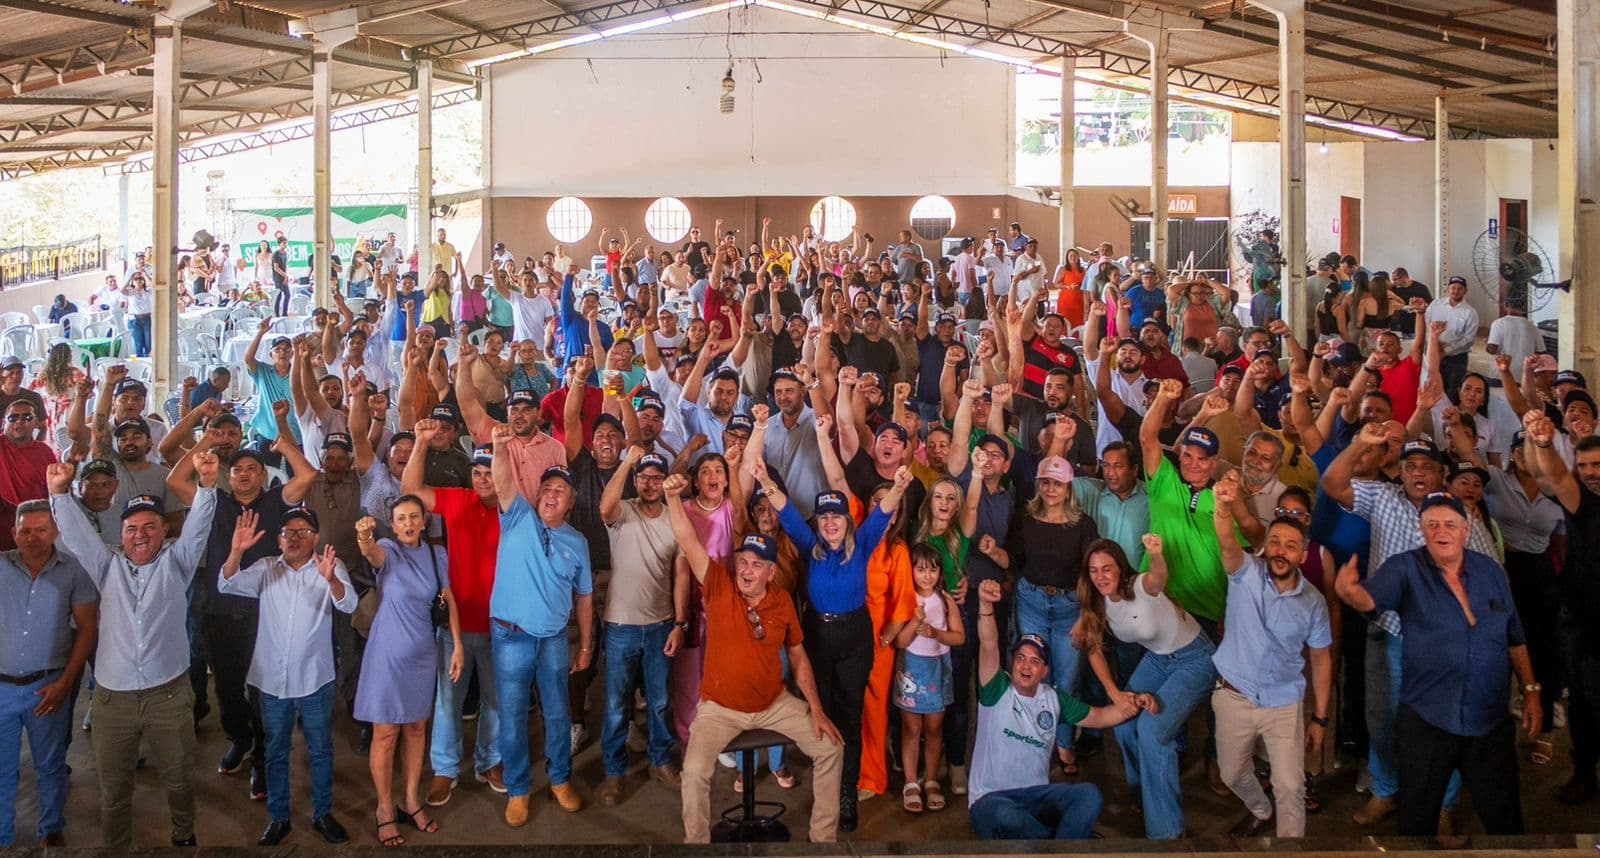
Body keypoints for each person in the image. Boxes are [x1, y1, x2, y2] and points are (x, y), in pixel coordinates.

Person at [1334, 491, 1539, 835]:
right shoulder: (1405, 567)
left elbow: (1514, 636)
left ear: (1466, 529)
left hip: (1489, 720)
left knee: (1504, 820)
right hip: (1428, 720)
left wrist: (1531, 689)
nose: (1441, 532)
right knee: (1417, 820)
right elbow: (1372, 598)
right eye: (1432, 525)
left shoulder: (1490, 571)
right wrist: (1351, 592)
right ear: (1422, 530)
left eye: (1449, 524)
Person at [48, 452, 220, 848]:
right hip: (114, 700)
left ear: (163, 531)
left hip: (169, 696)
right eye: (131, 529)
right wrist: (59, 493)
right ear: (120, 534)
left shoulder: (177, 564)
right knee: (114, 789)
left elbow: (198, 528)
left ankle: (183, 838)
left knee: (179, 779)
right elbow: (77, 536)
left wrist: (208, 487)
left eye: (149, 527)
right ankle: (117, 848)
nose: (140, 535)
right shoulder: (106, 566)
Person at [663, 474, 847, 843]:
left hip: (773, 703)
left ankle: (822, 841)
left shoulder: (781, 601)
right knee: (695, 771)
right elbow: (687, 539)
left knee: (831, 747)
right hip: (719, 708)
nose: (747, 569)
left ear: (771, 572)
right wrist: (671, 498)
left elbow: (797, 654)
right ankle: (695, 847)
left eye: (756, 564)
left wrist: (816, 708)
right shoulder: (718, 584)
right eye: (742, 561)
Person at [757, 459, 913, 831]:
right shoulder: (810, 544)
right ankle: (826, 792)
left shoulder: (863, 544)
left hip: (855, 636)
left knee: (850, 716)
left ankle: (846, 795)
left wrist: (900, 486)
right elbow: (787, 511)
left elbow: (884, 511)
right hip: (817, 637)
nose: (829, 522)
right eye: (824, 517)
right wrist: (763, 479)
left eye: (836, 517)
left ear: (848, 522)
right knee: (820, 718)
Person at [967, 578, 1149, 840]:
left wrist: (1136, 703)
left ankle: (1052, 843)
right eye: (1020, 658)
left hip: (1037, 798)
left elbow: (1099, 717)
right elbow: (988, 643)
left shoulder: (1053, 698)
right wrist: (985, 605)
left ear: (1045, 671)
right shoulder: (996, 688)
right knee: (1007, 817)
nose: (1025, 666)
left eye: (1034, 661)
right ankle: (1062, 844)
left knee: (1089, 795)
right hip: (991, 799)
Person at [217, 507, 356, 846]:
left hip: (315, 678)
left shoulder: (330, 566)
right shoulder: (266, 568)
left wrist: (331, 579)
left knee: (320, 748)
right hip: (271, 681)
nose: (294, 538)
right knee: (276, 749)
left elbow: (349, 604)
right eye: (287, 532)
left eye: (303, 531)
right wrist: (236, 550)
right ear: (278, 539)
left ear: (315, 538)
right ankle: (279, 819)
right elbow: (227, 583)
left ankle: (322, 813)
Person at [1210, 473, 1333, 838]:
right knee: (1231, 773)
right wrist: (1223, 506)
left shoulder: (1314, 602)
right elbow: (1227, 541)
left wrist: (1320, 719)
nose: (1281, 550)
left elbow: (1321, 660)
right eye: (1275, 542)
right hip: (1233, 694)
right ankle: (1260, 808)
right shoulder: (1244, 573)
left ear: (1303, 554)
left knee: (1291, 788)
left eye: (1291, 546)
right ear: (1266, 546)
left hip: (1283, 702)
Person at [1077, 536, 1215, 839]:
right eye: (1094, 570)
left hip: (1195, 658)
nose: (1100, 576)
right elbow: (1092, 647)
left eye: (1107, 569)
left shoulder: (1139, 586)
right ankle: (1145, 797)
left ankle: (1167, 834)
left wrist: (1156, 554)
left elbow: (1158, 577)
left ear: (1121, 569)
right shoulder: (1097, 601)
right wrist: (1114, 693)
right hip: (1159, 658)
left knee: (1154, 733)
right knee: (1124, 721)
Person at [487, 433, 594, 826]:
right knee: (513, 716)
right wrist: (500, 449)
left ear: (570, 502)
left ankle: (560, 779)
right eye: (546, 488)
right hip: (510, 635)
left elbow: (584, 598)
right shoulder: (517, 515)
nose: (551, 494)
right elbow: (502, 480)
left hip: (553, 638)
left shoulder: (578, 542)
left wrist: (585, 645)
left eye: (560, 490)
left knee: (557, 713)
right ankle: (517, 789)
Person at [400, 426, 506, 805]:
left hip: (500, 625)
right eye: (477, 472)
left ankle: (490, 761)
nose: (482, 479)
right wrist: (422, 444)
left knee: (496, 700)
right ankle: (445, 770)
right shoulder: (459, 500)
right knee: (448, 701)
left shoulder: (514, 508)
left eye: (490, 472)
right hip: (456, 624)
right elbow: (410, 490)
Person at [353, 498, 464, 847]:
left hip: (422, 652)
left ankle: (411, 799)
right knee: (386, 735)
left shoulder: (436, 555)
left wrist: (457, 644)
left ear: (424, 520)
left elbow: (449, 599)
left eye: (414, 517)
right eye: (401, 518)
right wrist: (364, 536)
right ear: (393, 523)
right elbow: (371, 552)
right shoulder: (388, 549)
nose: (408, 523)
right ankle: (385, 808)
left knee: (416, 729)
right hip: (387, 655)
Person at [0, 500, 98, 848]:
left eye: (41, 530)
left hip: (49, 685)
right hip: (2, 689)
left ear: (55, 532)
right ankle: (3, 838)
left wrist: (65, 683)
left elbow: (87, 629)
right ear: (14, 532)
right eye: (24, 530)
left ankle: (51, 829)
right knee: (2, 768)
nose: (32, 537)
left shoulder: (73, 570)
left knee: (51, 764)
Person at [597, 447, 685, 806]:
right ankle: (614, 772)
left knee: (661, 702)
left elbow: (681, 577)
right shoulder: (623, 512)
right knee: (616, 705)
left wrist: (680, 623)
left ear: (665, 483)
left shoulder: (674, 519)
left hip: (661, 625)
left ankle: (661, 760)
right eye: (644, 478)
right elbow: (604, 507)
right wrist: (628, 461)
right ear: (636, 481)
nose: (650, 484)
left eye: (656, 478)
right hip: (620, 625)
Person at [1522, 416, 1600, 805]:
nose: (1589, 473)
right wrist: (1546, 444)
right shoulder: (1581, 502)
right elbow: (1555, 476)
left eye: (1597, 465)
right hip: (1583, 623)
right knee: (1583, 705)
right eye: (1584, 465)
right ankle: (1584, 773)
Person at [893, 543, 965, 813]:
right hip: (911, 667)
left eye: (932, 570)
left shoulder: (945, 600)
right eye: (921, 569)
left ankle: (932, 779)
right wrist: (914, 622)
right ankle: (911, 782)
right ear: (910, 570)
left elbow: (959, 637)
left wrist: (935, 633)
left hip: (937, 668)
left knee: (935, 729)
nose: (927, 576)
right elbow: (899, 642)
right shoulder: (906, 598)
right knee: (911, 729)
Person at [0, 399, 55, 552]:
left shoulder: (45, 452)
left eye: (27, 417)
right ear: (5, 422)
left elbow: (54, 493)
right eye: (13, 418)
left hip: (36, 532)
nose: (19, 421)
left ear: (37, 422)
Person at [1425, 275, 1479, 397]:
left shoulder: (1470, 312)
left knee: (1453, 390)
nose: (1456, 291)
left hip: (1456, 358)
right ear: (1448, 289)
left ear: (1465, 291)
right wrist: (1434, 342)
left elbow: (1469, 339)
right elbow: (1426, 321)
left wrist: (1445, 351)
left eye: (1460, 289)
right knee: (1433, 387)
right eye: (1453, 288)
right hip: (1433, 351)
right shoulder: (1436, 304)